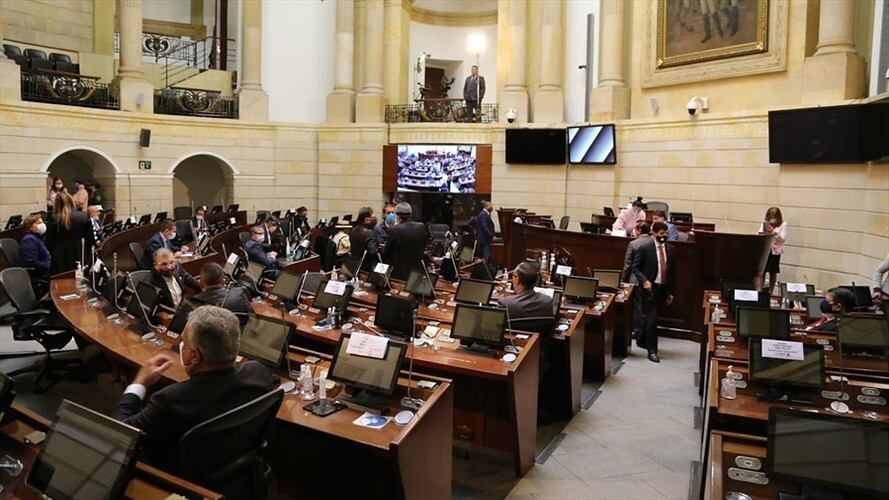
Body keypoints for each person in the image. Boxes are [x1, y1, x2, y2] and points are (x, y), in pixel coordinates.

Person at [112, 305, 277, 467]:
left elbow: (120, 433)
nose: (181, 344)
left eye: (184, 340)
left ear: (194, 356)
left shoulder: (170, 400)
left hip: (180, 482)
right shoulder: (258, 373)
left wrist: (139, 383)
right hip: (236, 470)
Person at [628, 222, 675, 363]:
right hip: (649, 288)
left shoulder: (671, 249)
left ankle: (642, 339)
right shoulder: (645, 248)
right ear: (653, 233)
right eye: (661, 234)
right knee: (652, 320)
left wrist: (670, 292)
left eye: (665, 233)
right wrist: (644, 281)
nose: (664, 236)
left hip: (662, 288)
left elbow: (672, 272)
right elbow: (635, 268)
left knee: (651, 319)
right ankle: (652, 351)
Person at [45, 192, 95, 274]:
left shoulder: (53, 219)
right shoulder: (83, 217)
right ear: (71, 201)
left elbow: (49, 242)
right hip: (80, 255)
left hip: (60, 259)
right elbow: (91, 240)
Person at [382, 202, 429, 281]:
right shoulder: (421, 226)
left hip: (399, 272)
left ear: (397, 215)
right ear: (410, 214)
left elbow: (386, 253)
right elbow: (423, 246)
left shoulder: (394, 229)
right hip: (417, 272)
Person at [621, 222, 651, 339]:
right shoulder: (653, 243)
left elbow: (627, 265)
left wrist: (623, 281)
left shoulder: (633, 244)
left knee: (637, 308)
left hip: (636, 280)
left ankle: (638, 331)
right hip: (650, 280)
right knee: (649, 308)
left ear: (639, 230)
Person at [20, 213, 51, 297]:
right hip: (40, 275)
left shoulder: (38, 237)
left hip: (45, 271)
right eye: (38, 223)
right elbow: (31, 263)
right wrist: (49, 266)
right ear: (29, 227)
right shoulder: (29, 240)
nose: (42, 225)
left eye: (42, 222)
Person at [758, 207, 787, 296]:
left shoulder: (783, 224)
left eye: (774, 216)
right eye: (771, 216)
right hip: (766, 249)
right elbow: (759, 233)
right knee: (762, 271)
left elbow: (783, 237)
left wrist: (773, 232)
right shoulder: (765, 223)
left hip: (775, 251)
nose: (772, 218)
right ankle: (760, 290)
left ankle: (770, 291)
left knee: (773, 271)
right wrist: (768, 233)